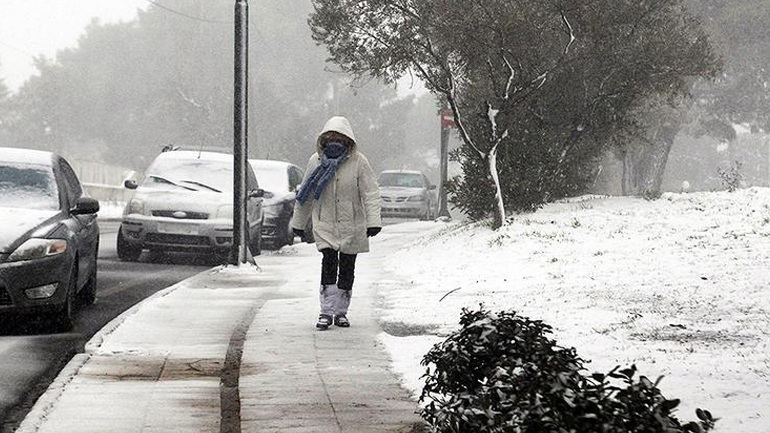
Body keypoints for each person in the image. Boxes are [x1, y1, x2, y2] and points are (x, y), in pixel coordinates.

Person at [290, 116, 382, 330]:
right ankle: (326, 310)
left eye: (339, 138)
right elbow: (306, 193)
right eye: (330, 137)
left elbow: (370, 193)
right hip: (325, 222)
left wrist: (373, 221)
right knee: (329, 264)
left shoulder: (359, 162)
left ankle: (341, 311)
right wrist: (299, 223)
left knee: (347, 267)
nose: (334, 141)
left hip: (352, 224)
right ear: (323, 139)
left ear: (348, 140)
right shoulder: (316, 161)